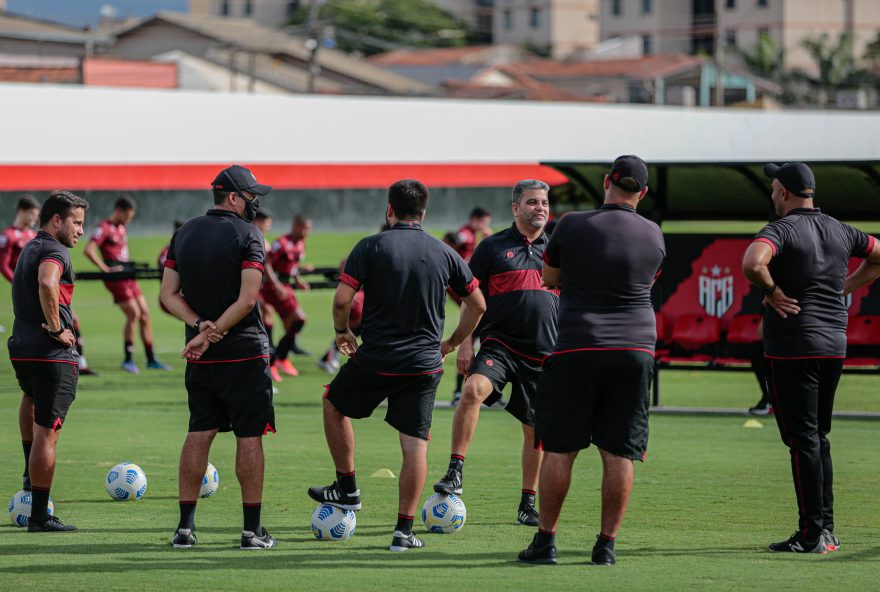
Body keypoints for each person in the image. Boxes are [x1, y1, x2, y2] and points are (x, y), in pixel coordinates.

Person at [307, 179, 486, 552]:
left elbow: (342, 300)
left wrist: (342, 333)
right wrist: (452, 342)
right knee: (415, 444)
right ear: (424, 213)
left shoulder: (371, 246)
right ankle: (403, 532)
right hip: (424, 364)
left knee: (333, 403)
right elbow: (478, 305)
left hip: (378, 357)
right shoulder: (445, 252)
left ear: (389, 210)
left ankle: (348, 487)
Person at [518, 156, 665, 566]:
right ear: (643, 192)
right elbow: (648, 280)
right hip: (636, 349)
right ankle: (606, 546)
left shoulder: (572, 224)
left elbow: (549, 278)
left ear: (606, 182)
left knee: (561, 449)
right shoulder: (654, 233)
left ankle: (546, 543)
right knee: (619, 452)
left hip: (578, 345)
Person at [742, 162, 880, 554]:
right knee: (818, 438)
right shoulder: (841, 229)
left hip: (793, 347)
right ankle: (827, 531)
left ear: (784, 192)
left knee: (802, 440)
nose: (771, 194)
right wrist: (845, 287)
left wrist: (770, 290)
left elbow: (753, 263)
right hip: (834, 345)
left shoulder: (780, 229)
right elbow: (878, 255)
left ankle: (809, 535)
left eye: (772, 188)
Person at [160, 164, 277, 550]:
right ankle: (251, 531)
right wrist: (212, 333)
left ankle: (184, 529)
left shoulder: (184, 232)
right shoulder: (250, 235)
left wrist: (199, 328)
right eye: (251, 196)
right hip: (243, 353)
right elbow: (247, 299)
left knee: (199, 432)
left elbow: (168, 296)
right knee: (249, 436)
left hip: (200, 357)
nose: (255, 202)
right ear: (233, 197)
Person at [433, 180, 558, 527]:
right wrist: (466, 342)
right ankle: (455, 471)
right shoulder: (491, 247)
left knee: (535, 431)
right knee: (472, 390)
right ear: (516, 208)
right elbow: (471, 299)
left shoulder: (558, 249)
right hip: (499, 344)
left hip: (545, 353)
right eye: (533, 202)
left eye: (544, 202)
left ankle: (527, 505)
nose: (541, 208)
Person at [8, 190, 89, 532]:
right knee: (48, 431)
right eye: (77, 222)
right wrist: (58, 329)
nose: (80, 231)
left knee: (30, 400)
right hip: (50, 353)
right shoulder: (54, 251)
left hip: (22, 349)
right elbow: (47, 283)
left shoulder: (30, 247)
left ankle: (30, 476)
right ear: (57, 220)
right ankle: (39, 515)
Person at [85, 196, 170, 373]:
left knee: (145, 315)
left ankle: (151, 359)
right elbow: (89, 250)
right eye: (128, 216)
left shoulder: (121, 228)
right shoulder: (104, 228)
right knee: (134, 314)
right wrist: (105, 268)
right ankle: (128, 359)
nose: (129, 220)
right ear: (119, 210)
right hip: (116, 279)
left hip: (128, 276)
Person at [443, 207, 492, 404]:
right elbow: (453, 237)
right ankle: (458, 391)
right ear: (475, 219)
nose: (485, 226)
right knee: (470, 335)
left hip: (468, 290)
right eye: (484, 222)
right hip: (463, 289)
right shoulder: (467, 233)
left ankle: (466, 389)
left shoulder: (476, 237)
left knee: (473, 337)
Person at [265, 214, 314, 377]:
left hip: (286, 287)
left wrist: (298, 280)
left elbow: (292, 266)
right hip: (274, 288)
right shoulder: (281, 243)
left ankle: (279, 359)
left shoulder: (300, 244)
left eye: (309, 228)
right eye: (305, 228)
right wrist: (277, 285)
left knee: (290, 325)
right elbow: (267, 264)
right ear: (296, 226)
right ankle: (276, 359)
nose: (307, 232)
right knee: (299, 319)